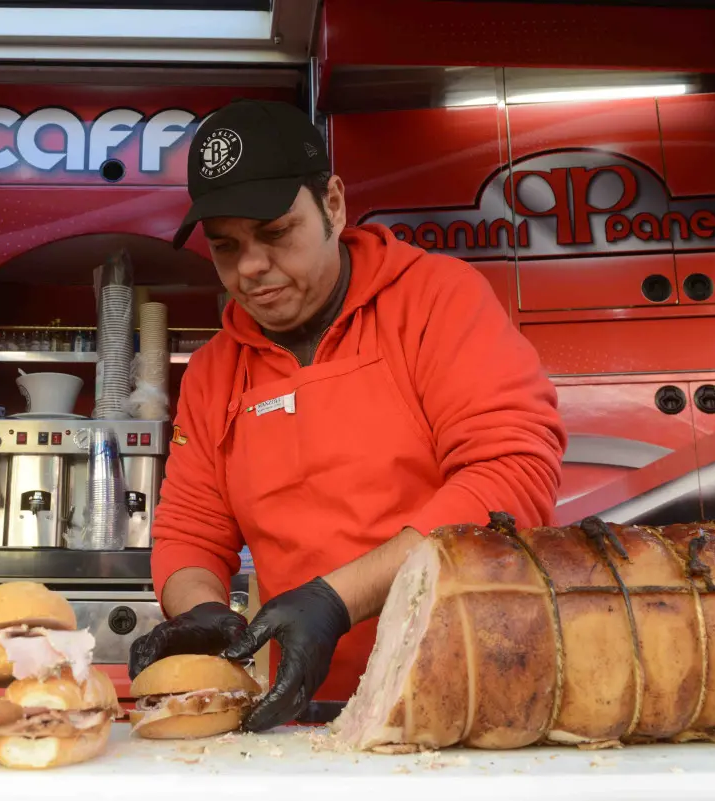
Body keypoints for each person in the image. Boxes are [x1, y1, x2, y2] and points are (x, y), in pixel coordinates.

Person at [129, 98, 567, 732]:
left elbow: (511, 478)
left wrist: (336, 601)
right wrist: (201, 610)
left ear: (333, 204)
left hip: (476, 696)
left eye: (276, 233)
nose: (250, 267)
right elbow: (191, 533)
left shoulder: (436, 301)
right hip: (308, 719)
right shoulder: (213, 372)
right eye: (226, 246)